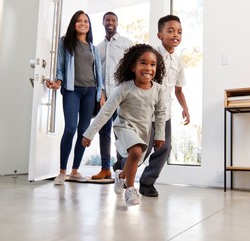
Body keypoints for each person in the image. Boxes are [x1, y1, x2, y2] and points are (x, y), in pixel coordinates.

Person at [82, 44, 166, 205]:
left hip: (143, 130)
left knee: (135, 159)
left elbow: (160, 113)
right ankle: (130, 190)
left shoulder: (158, 90)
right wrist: (89, 133)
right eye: (143, 63)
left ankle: (120, 177)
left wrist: (160, 134)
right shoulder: (124, 89)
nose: (148, 67)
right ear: (133, 66)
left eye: (152, 64)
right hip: (124, 127)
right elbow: (106, 111)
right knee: (135, 152)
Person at [46, 10, 102, 185]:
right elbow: (60, 65)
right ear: (73, 24)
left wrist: (100, 94)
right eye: (79, 21)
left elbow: (98, 72)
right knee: (70, 128)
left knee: (84, 132)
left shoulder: (93, 47)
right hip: (72, 90)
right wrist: (58, 81)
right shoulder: (66, 42)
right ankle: (62, 172)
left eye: (86, 21)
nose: (83, 24)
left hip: (90, 91)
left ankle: (75, 171)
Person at [138, 15, 190, 197]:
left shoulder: (178, 61)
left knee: (165, 148)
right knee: (141, 151)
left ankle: (147, 182)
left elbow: (178, 90)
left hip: (164, 113)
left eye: (179, 32)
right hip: (146, 111)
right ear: (160, 35)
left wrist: (185, 108)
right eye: (171, 31)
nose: (176, 34)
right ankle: (121, 168)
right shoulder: (151, 56)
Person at [91, 11, 133, 180]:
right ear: (103, 23)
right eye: (107, 19)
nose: (110, 22)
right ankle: (105, 168)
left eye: (113, 20)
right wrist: (100, 92)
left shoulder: (126, 44)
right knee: (104, 131)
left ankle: (122, 168)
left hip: (121, 95)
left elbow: (132, 68)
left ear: (117, 23)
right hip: (105, 96)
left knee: (121, 132)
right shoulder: (97, 48)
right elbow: (96, 73)